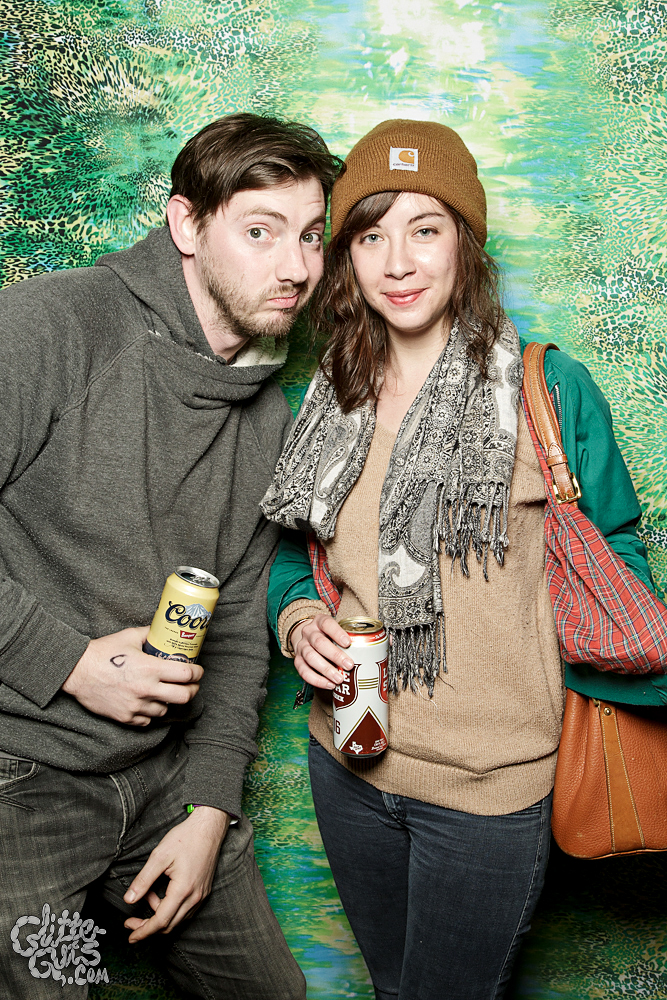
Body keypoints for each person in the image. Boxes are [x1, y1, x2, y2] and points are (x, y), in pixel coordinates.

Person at [261, 119, 667, 1000]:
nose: (397, 262)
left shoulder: (548, 389)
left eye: (425, 229)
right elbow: (295, 554)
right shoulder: (329, 394)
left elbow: (617, 555)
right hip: (347, 763)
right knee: (390, 988)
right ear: (347, 255)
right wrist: (297, 621)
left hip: (490, 792)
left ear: (465, 243)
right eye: (371, 236)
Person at [0, 112, 341, 999]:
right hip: (21, 776)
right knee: (53, 985)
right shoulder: (48, 326)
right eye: (260, 231)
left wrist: (210, 807)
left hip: (165, 785)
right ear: (186, 224)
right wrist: (69, 664)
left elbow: (236, 631)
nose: (295, 267)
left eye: (310, 235)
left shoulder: (268, 418)